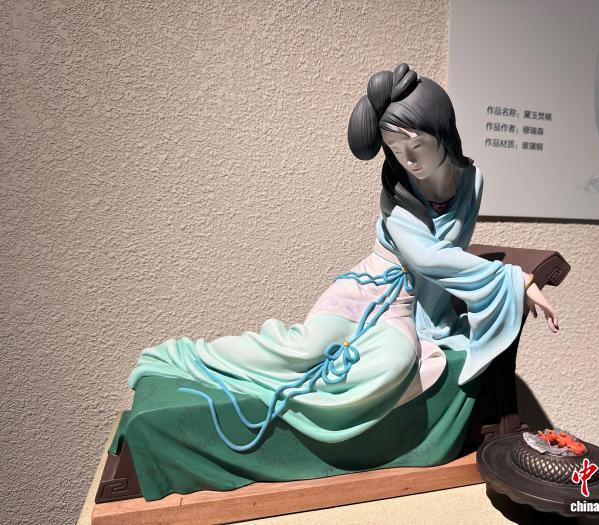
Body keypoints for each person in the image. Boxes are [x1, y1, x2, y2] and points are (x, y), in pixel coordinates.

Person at [116, 63, 558, 500]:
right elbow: (429, 257)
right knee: (305, 346)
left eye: (417, 145)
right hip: (368, 286)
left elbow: (447, 258)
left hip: (407, 308)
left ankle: (308, 409)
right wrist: (513, 279)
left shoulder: (473, 182)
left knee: (392, 365)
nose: (408, 160)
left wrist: (484, 291)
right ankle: (188, 356)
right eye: (394, 148)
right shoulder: (398, 198)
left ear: (442, 130)